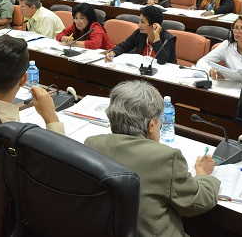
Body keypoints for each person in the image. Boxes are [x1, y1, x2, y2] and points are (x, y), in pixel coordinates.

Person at [84, 81, 218, 237]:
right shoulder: (166, 157)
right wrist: (204, 175)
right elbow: (196, 202)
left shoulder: (92, 144)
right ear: (152, 125)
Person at [195, 15, 242, 81]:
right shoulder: (227, 45)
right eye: (235, 27)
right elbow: (202, 61)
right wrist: (210, 70)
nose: (237, 31)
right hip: (230, 87)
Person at [105, 6, 176, 64]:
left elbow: (162, 61)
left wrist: (156, 38)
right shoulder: (139, 33)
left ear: (154, 25)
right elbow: (124, 46)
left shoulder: (168, 39)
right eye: (139, 21)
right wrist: (113, 52)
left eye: (142, 22)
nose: (139, 25)